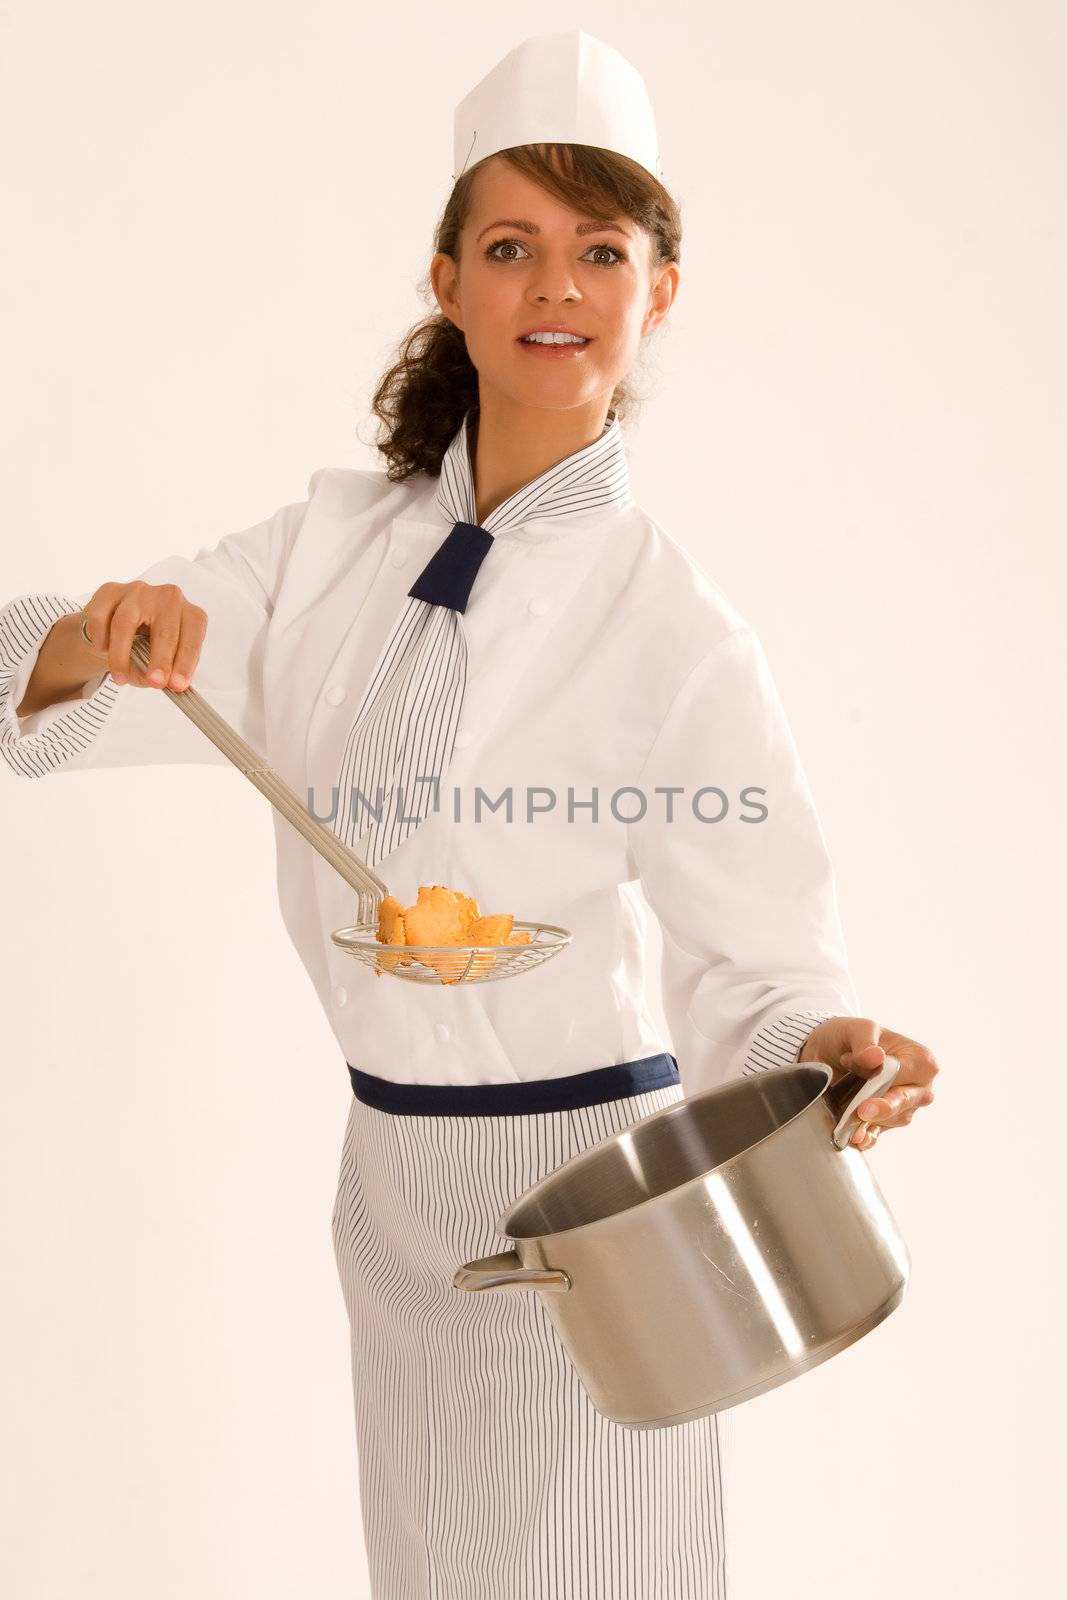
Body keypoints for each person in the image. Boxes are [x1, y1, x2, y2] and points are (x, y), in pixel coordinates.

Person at [0, 29, 938, 1600]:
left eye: (599, 250)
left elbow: (760, 957)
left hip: (603, 1199)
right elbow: (40, 699)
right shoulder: (325, 549)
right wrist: (113, 628)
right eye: (510, 248)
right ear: (448, 281)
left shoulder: (673, 629)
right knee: (432, 1570)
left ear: (660, 293)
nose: (554, 285)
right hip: (389, 1182)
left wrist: (825, 1048)